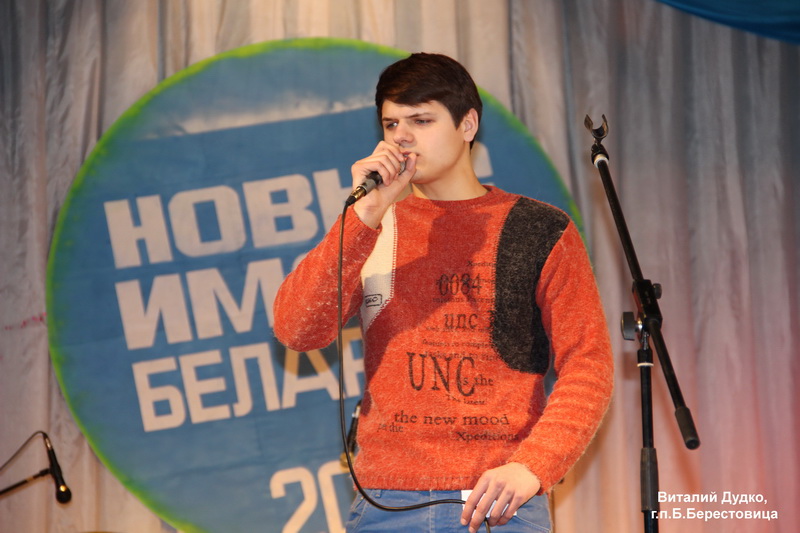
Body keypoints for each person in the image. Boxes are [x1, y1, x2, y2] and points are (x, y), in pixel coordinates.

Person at [273, 52, 614, 533]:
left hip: (500, 505)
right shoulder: (374, 224)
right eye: (391, 124)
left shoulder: (539, 228)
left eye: (421, 120)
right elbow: (297, 330)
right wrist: (363, 215)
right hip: (385, 503)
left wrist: (533, 465)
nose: (402, 137)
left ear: (467, 124)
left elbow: (588, 364)